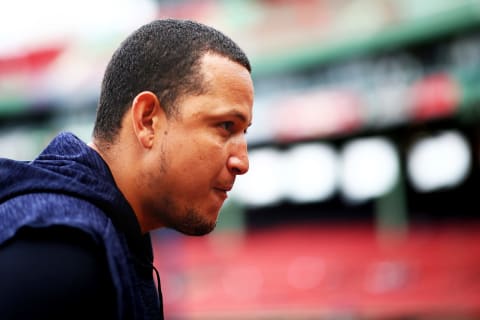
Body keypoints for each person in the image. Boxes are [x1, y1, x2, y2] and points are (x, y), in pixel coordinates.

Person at [0, 19, 254, 319]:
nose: (243, 162)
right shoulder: (59, 254)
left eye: (244, 132)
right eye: (225, 126)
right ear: (147, 120)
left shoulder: (103, 234)